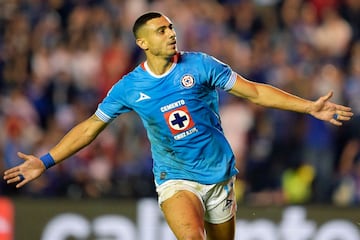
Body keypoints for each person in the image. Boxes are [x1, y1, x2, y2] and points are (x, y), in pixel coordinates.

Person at [3, 12, 353, 240]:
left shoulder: (200, 65)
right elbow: (90, 127)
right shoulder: (129, 87)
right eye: (161, 30)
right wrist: (45, 161)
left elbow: (256, 92)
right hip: (176, 179)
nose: (171, 33)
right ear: (143, 43)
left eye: (170, 27)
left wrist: (309, 107)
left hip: (219, 175)